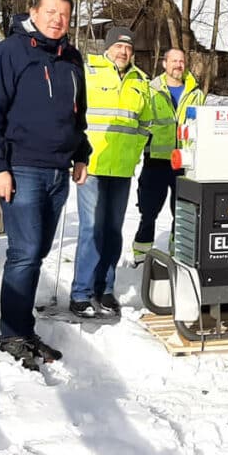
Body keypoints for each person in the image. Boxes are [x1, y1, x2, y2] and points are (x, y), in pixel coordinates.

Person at [0, 0, 90, 371]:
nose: (58, 20)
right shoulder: (7, 54)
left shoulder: (71, 58)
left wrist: (81, 152)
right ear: (33, 13)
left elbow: (77, 115)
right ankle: (12, 335)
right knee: (23, 254)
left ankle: (23, 329)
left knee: (36, 253)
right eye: (51, 11)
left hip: (58, 171)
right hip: (21, 168)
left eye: (65, 15)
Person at [70, 26, 151, 319]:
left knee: (113, 232)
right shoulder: (88, 72)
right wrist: (75, 154)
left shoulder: (140, 82)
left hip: (122, 169)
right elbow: (73, 115)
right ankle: (80, 293)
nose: (124, 52)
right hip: (91, 165)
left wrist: (135, 149)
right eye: (119, 46)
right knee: (91, 230)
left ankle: (105, 290)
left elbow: (145, 122)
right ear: (108, 48)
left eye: (128, 48)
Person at [131, 47, 205, 264]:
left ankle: (178, 254)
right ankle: (141, 256)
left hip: (185, 162)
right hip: (155, 161)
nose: (178, 65)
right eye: (173, 61)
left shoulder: (196, 93)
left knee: (181, 212)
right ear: (164, 63)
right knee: (149, 212)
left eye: (181, 61)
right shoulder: (151, 90)